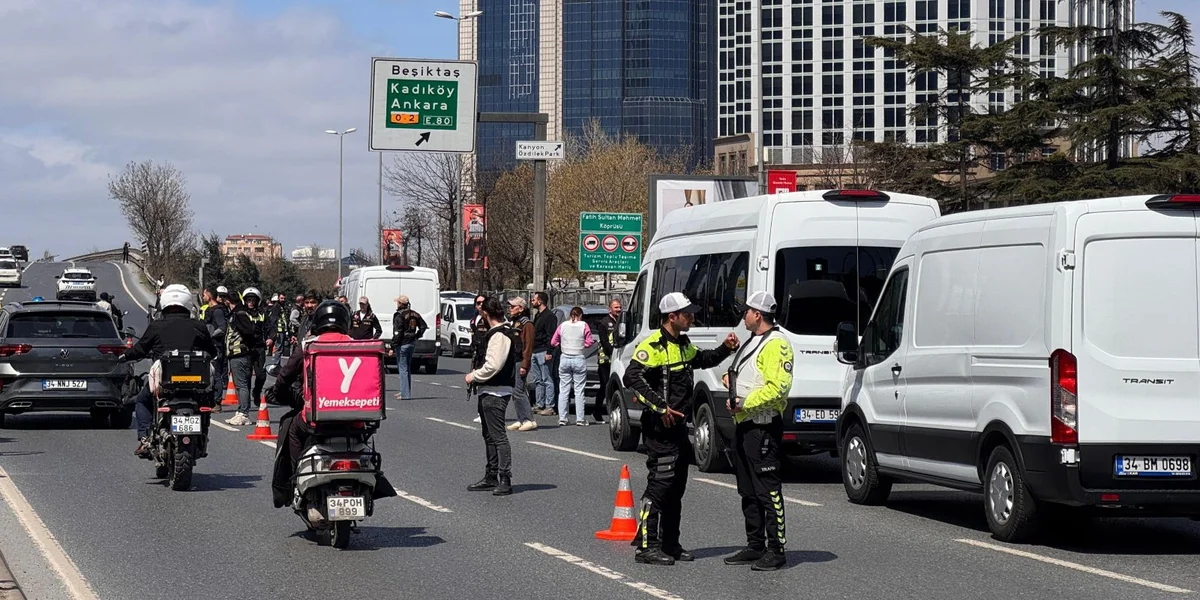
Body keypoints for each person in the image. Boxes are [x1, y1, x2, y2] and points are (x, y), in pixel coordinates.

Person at [623, 292, 739, 566]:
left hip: (679, 428)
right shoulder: (652, 344)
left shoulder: (683, 343)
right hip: (659, 427)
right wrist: (660, 407)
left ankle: (670, 543)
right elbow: (631, 376)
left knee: (676, 487)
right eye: (687, 314)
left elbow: (703, 359)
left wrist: (726, 348)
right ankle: (646, 547)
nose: (692, 317)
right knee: (659, 486)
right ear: (671, 316)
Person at [268, 300, 397, 509]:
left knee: (291, 429)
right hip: (356, 420)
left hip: (316, 421)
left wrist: (279, 392)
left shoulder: (309, 345)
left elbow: (284, 377)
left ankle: (296, 479)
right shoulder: (358, 345)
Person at [722, 291, 793, 572]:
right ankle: (755, 546)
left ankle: (776, 550)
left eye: (746, 311)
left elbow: (779, 388)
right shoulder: (754, 341)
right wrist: (731, 384)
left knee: (768, 491)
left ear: (758, 315)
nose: (743, 315)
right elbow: (747, 375)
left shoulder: (777, 344)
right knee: (748, 491)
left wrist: (743, 402)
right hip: (745, 425)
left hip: (762, 426)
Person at [120, 285, 218, 457]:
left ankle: (144, 439)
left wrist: (124, 356)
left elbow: (140, 350)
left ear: (164, 303)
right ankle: (203, 436)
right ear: (188, 303)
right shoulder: (199, 326)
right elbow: (213, 351)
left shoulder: (157, 325)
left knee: (142, 401)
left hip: (165, 383)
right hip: (197, 384)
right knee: (207, 401)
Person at [465, 297, 518, 496]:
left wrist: (474, 376)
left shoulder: (500, 334)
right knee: (488, 435)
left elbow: (494, 365)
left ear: (486, 314)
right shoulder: (497, 332)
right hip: (489, 389)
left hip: (497, 390)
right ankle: (491, 475)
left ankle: (505, 477)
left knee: (498, 436)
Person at [225, 287, 267, 426]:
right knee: (241, 384)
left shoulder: (239, 314)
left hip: (240, 353)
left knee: (242, 384)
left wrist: (246, 345)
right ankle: (240, 410)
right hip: (239, 353)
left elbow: (248, 331)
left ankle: (244, 413)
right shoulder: (240, 313)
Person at [551, 306, 595, 426]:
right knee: (579, 390)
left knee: (564, 389)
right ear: (580, 315)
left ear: (570, 315)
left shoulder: (563, 325)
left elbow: (553, 342)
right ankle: (580, 419)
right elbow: (590, 341)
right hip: (578, 357)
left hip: (565, 357)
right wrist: (583, 344)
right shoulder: (584, 325)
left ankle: (563, 418)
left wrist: (562, 343)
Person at [504, 297, 537, 432]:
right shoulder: (514, 323)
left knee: (519, 390)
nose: (510, 309)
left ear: (521, 308)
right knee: (515, 390)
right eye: (510, 307)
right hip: (514, 359)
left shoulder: (526, 324)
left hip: (521, 360)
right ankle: (522, 418)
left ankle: (528, 419)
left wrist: (525, 364)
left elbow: (528, 346)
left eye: (513, 307)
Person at [391, 295, 427, 401]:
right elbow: (423, 326)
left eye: (398, 302)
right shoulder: (415, 314)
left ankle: (405, 394)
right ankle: (404, 391)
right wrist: (417, 336)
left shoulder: (399, 315)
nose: (396, 304)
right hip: (411, 343)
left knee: (402, 368)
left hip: (402, 344)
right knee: (407, 367)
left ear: (401, 304)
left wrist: (393, 346)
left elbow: (398, 332)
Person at [595, 298, 623, 422]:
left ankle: (615, 411)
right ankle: (598, 411)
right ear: (610, 309)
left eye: (620, 307)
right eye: (616, 307)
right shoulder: (603, 323)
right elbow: (604, 341)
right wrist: (613, 352)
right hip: (605, 360)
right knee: (605, 386)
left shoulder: (623, 322)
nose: (619, 309)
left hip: (619, 360)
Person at [530, 292, 557, 415]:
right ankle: (539, 404)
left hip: (543, 351)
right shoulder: (538, 315)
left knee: (547, 379)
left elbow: (551, 335)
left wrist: (549, 351)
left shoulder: (550, 316)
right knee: (537, 379)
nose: (532, 301)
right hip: (535, 351)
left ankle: (549, 406)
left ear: (540, 301)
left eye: (534, 299)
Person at [203, 286, 231, 410]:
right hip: (209, 346)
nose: (203, 297)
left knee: (216, 374)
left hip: (216, 346)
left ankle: (217, 402)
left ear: (209, 296)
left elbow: (222, 327)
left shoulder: (217, 311)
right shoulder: (210, 309)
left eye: (204, 294)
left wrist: (210, 336)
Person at [468, 294, 489, 360]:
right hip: (477, 351)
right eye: (478, 303)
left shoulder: (489, 318)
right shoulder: (473, 319)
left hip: (487, 351)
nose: (481, 304)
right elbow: (472, 332)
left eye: (483, 302)